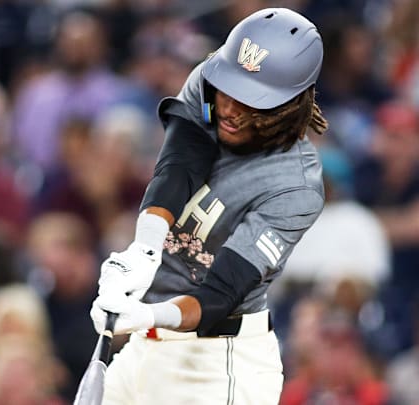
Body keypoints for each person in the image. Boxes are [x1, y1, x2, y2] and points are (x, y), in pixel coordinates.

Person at [89, 8, 328, 404]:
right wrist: (144, 251)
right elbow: (180, 162)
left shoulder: (295, 186)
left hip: (216, 364)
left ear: (289, 105)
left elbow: (221, 293)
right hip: (145, 349)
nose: (230, 109)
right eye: (228, 90)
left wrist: (147, 314)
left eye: (252, 100)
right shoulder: (212, 80)